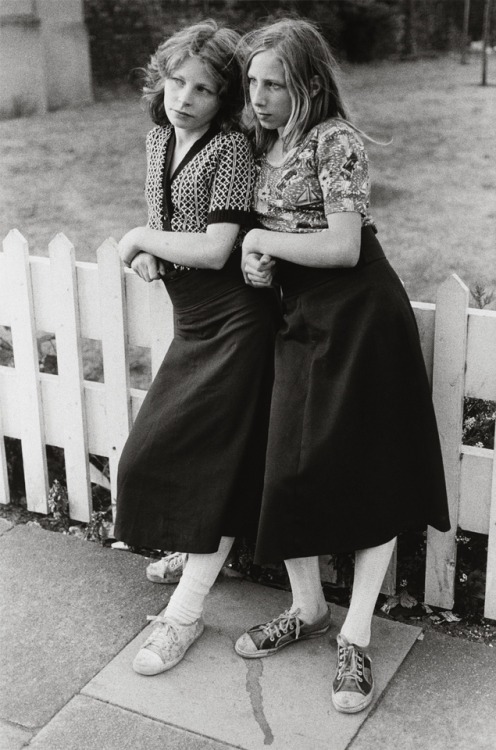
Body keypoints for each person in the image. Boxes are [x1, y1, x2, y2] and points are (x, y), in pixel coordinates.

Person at [234, 18, 450, 714]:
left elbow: (342, 247)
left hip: (360, 316)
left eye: (276, 83)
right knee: (285, 463)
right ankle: (307, 607)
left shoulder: (337, 142)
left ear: (311, 83)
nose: (260, 96)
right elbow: (272, 241)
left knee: (370, 469)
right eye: (253, 82)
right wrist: (255, 260)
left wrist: (266, 239)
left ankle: (355, 634)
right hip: (300, 319)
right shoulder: (263, 145)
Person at [114, 20, 279, 677]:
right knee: (152, 452)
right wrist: (151, 247)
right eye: (177, 81)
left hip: (238, 323)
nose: (185, 97)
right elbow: (167, 223)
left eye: (204, 89)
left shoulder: (231, 148)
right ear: (161, 77)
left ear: (225, 98)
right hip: (192, 320)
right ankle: (195, 540)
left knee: (216, 462)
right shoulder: (158, 135)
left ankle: (185, 614)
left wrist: (137, 239)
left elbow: (216, 247)